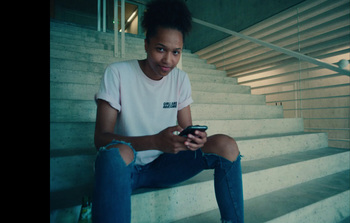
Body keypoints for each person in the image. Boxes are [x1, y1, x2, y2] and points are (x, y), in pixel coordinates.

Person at [92, 0, 244, 222]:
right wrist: (154, 141)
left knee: (227, 145)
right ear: (146, 44)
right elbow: (100, 138)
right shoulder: (117, 73)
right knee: (117, 154)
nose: (168, 60)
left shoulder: (180, 79)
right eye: (160, 49)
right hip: (127, 168)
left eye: (176, 52)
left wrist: (195, 140)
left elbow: (186, 129)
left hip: (165, 166)